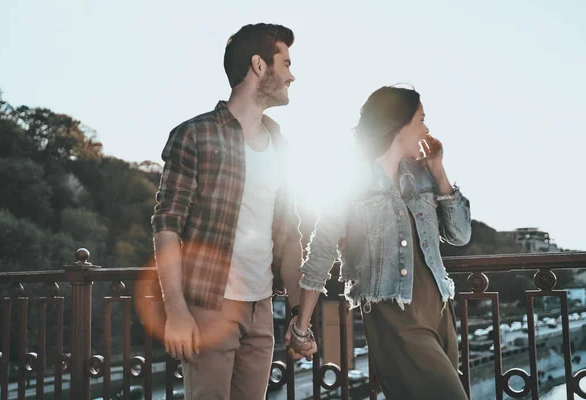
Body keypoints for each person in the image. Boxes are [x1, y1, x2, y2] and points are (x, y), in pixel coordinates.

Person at [286, 86, 472, 399]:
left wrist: (439, 171)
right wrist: (301, 329)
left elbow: (459, 235)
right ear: (400, 125)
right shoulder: (347, 182)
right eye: (421, 120)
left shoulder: (422, 175)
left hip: (440, 311)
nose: (426, 130)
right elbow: (320, 254)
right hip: (395, 317)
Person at [152, 23, 303, 400]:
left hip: (261, 310)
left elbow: (288, 237)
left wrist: (300, 314)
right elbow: (167, 224)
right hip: (209, 307)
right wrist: (177, 311)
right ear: (258, 66)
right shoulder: (195, 135)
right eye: (285, 63)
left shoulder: (281, 146)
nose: (292, 74)